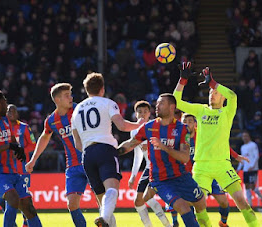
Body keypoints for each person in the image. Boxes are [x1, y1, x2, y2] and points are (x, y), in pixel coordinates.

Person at [173, 62, 259, 226]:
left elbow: (233, 95)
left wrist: (213, 83)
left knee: (241, 201)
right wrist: (182, 80)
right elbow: (176, 102)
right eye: (210, 92)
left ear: (223, 97)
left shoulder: (227, 112)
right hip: (201, 167)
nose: (212, 94)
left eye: (216, 92)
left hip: (223, 165)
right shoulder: (201, 110)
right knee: (198, 206)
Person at [118, 93, 209, 227]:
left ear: (172, 107)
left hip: (182, 176)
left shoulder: (182, 129)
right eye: (157, 103)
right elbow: (130, 144)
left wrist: (163, 147)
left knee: (201, 205)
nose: (157, 105)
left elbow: (184, 157)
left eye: (161, 103)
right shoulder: (148, 127)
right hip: (160, 180)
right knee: (183, 208)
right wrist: (111, 151)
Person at [71, 73, 144, 227]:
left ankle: (104, 219)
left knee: (103, 203)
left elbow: (77, 143)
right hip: (105, 150)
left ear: (86, 90)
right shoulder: (108, 103)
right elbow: (122, 126)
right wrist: (139, 124)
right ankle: (103, 219)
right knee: (112, 190)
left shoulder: (76, 110)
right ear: (102, 89)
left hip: (87, 155)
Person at [169, 113, 250, 227]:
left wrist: (236, 156)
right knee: (192, 202)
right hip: (193, 176)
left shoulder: (203, 134)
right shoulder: (178, 138)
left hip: (210, 172)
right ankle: (180, 222)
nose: (187, 124)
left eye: (190, 121)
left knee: (224, 202)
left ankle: (223, 222)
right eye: (184, 121)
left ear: (195, 124)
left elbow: (220, 144)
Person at [25, 83, 88, 227]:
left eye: (71, 94)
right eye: (67, 95)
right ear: (57, 99)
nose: (71, 97)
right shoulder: (52, 120)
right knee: (72, 204)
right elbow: (44, 137)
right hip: (72, 165)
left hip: (90, 160)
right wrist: (33, 160)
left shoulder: (80, 109)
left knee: (101, 199)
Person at [0, 90, 41, 227]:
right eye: (5, 102)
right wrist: (8, 146)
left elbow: (12, 139)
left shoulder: (5, 120)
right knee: (13, 199)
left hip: (13, 172)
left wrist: (18, 149)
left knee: (28, 206)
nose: (7, 105)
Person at [128, 100, 171, 227]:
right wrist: (133, 176)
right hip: (149, 167)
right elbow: (138, 154)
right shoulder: (133, 131)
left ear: (149, 113)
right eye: (139, 112)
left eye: (145, 112)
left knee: (143, 199)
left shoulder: (155, 127)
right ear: (135, 114)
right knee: (144, 200)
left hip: (160, 166)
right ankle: (166, 225)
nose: (142, 114)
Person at [7, 104, 37, 227]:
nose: (11, 114)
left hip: (22, 168)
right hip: (7, 168)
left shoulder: (24, 128)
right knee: (10, 196)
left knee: (24, 195)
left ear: (17, 114)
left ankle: (26, 221)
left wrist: (21, 151)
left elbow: (33, 144)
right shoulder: (3, 129)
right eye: (9, 112)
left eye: (14, 112)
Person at [237, 131, 262, 212]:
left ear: (249, 136)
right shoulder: (242, 147)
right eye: (243, 136)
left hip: (253, 169)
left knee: (253, 187)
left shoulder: (253, 145)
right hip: (246, 170)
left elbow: (256, 156)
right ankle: (250, 205)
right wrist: (239, 169)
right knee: (247, 187)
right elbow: (242, 159)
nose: (244, 137)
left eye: (246, 136)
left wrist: (252, 166)